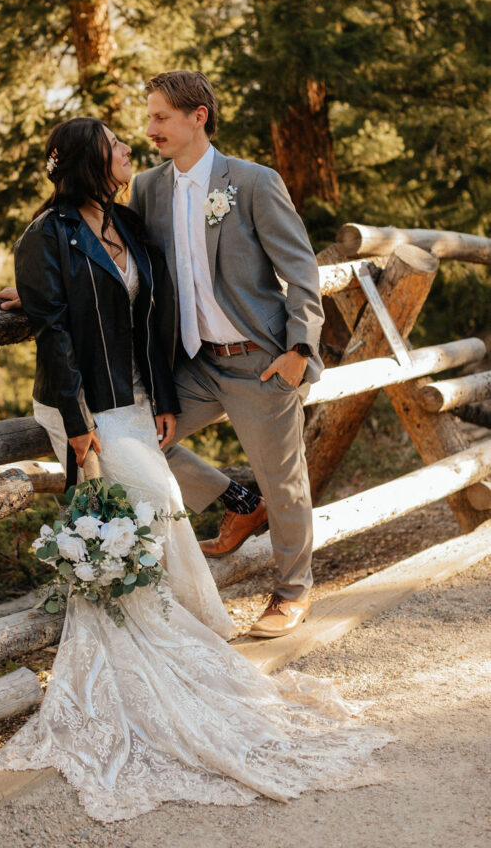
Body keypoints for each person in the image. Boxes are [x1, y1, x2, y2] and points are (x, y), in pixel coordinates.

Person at [0, 115, 389, 822]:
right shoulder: (45, 234)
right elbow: (54, 330)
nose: (132, 147)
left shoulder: (126, 220)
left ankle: (205, 617)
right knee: (157, 509)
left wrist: (168, 396)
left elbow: (152, 308)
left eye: (142, 129)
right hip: (88, 406)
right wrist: (77, 419)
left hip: (142, 397)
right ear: (90, 159)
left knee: (163, 513)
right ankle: (159, 643)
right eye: (117, 143)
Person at [130, 70, 324, 638]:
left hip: (258, 361)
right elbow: (110, 249)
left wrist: (298, 349)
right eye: (148, 118)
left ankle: (292, 592)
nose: (150, 129)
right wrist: (40, 287)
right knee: (139, 440)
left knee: (283, 479)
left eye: (161, 117)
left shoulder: (253, 182)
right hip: (190, 364)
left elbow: (301, 268)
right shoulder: (146, 189)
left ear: (199, 117)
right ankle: (237, 501)